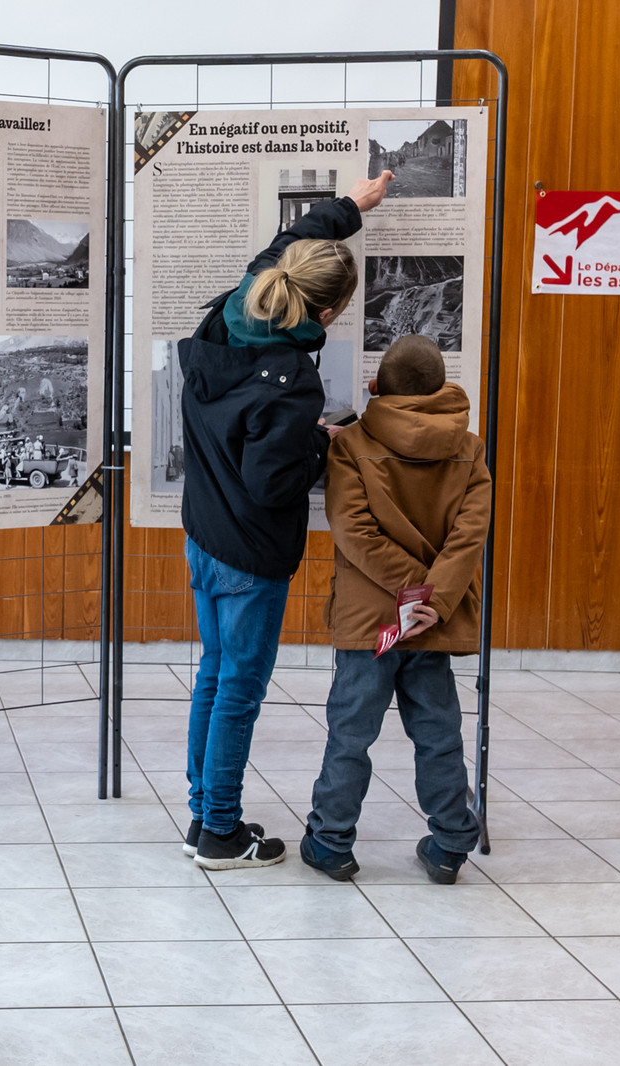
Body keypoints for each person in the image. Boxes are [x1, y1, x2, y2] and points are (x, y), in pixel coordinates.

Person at [178, 170, 393, 870]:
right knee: (238, 689)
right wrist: (318, 444)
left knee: (214, 676)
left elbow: (290, 240)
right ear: (326, 317)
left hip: (202, 534)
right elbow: (272, 483)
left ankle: (201, 813)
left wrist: (348, 209)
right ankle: (219, 831)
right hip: (247, 554)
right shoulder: (291, 380)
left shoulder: (232, 310)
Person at [301, 335, 491, 884]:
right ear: (442, 390)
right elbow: (469, 535)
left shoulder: (351, 444)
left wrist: (410, 594)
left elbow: (354, 532)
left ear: (375, 387)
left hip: (370, 623)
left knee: (351, 735)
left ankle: (332, 841)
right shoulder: (471, 448)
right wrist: (433, 598)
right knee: (438, 733)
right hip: (435, 621)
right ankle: (451, 841)